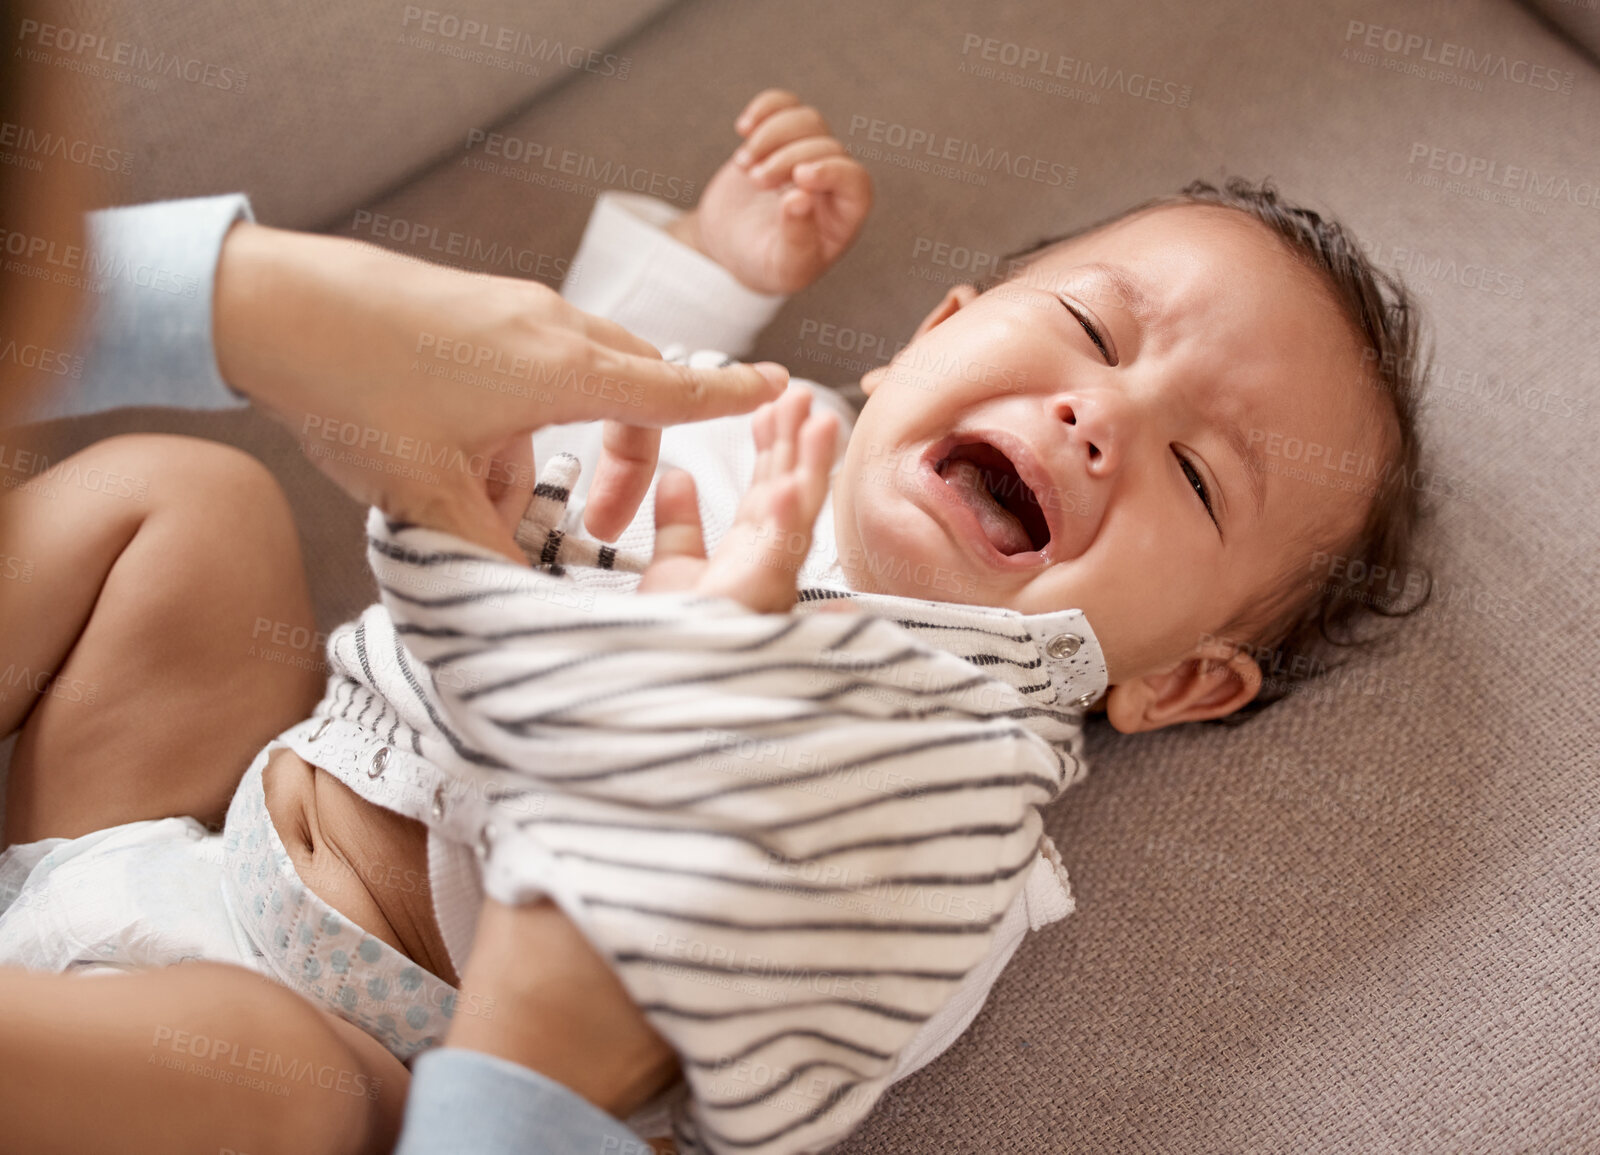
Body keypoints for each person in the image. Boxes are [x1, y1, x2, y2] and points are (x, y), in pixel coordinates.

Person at [2, 80, 1435, 1155]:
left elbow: (731, 1051)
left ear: (1180, 682)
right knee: (183, 507)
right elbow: (524, 389)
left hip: (348, 1046)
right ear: (926, 340)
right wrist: (712, 267)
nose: (1097, 413)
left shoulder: (957, 800)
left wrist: (694, 713)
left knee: (271, 1081)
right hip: (186, 822)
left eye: (1196, 471)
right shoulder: (758, 429)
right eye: (1091, 332)